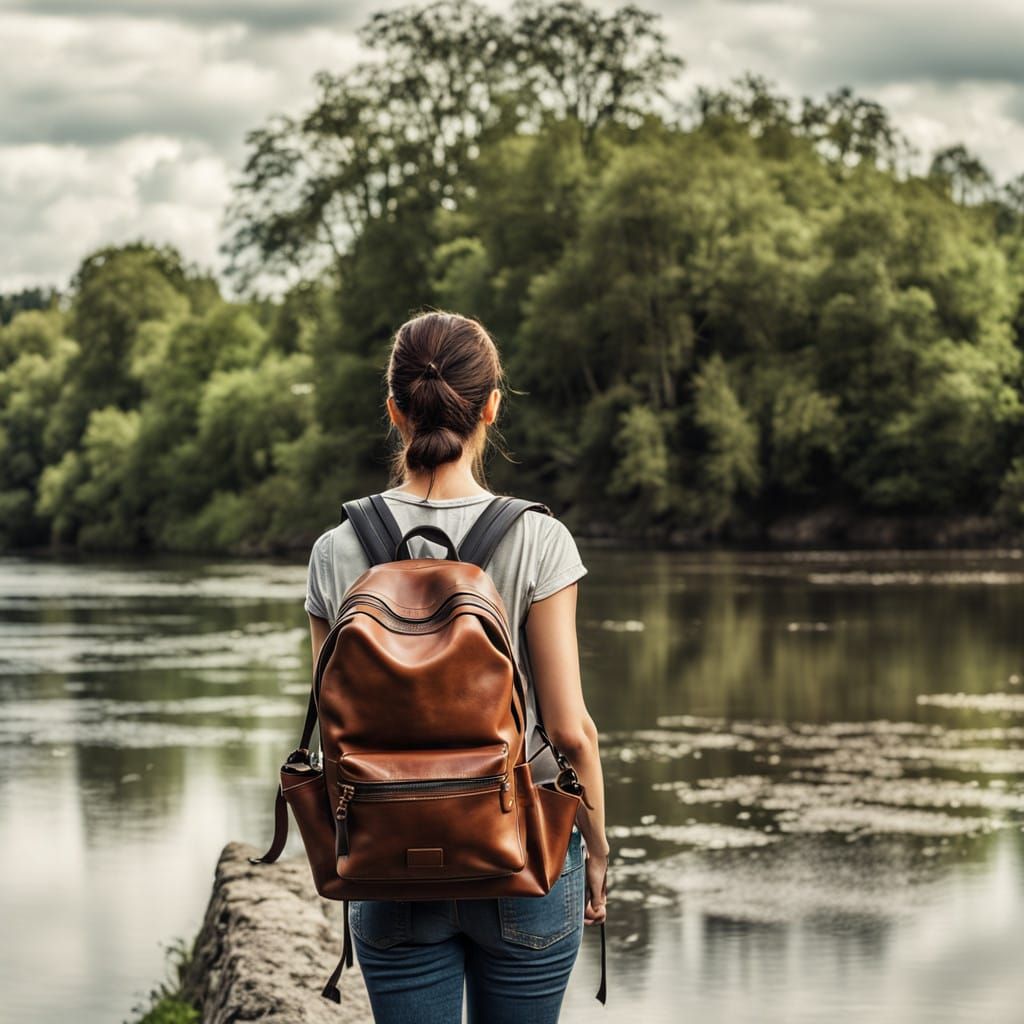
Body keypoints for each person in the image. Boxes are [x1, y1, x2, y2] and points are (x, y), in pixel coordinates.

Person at [303, 310, 608, 1023]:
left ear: (394, 410)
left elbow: (334, 736)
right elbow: (571, 731)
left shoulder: (335, 549)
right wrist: (596, 848)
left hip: (387, 857)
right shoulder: (541, 539)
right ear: (492, 407)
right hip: (522, 848)